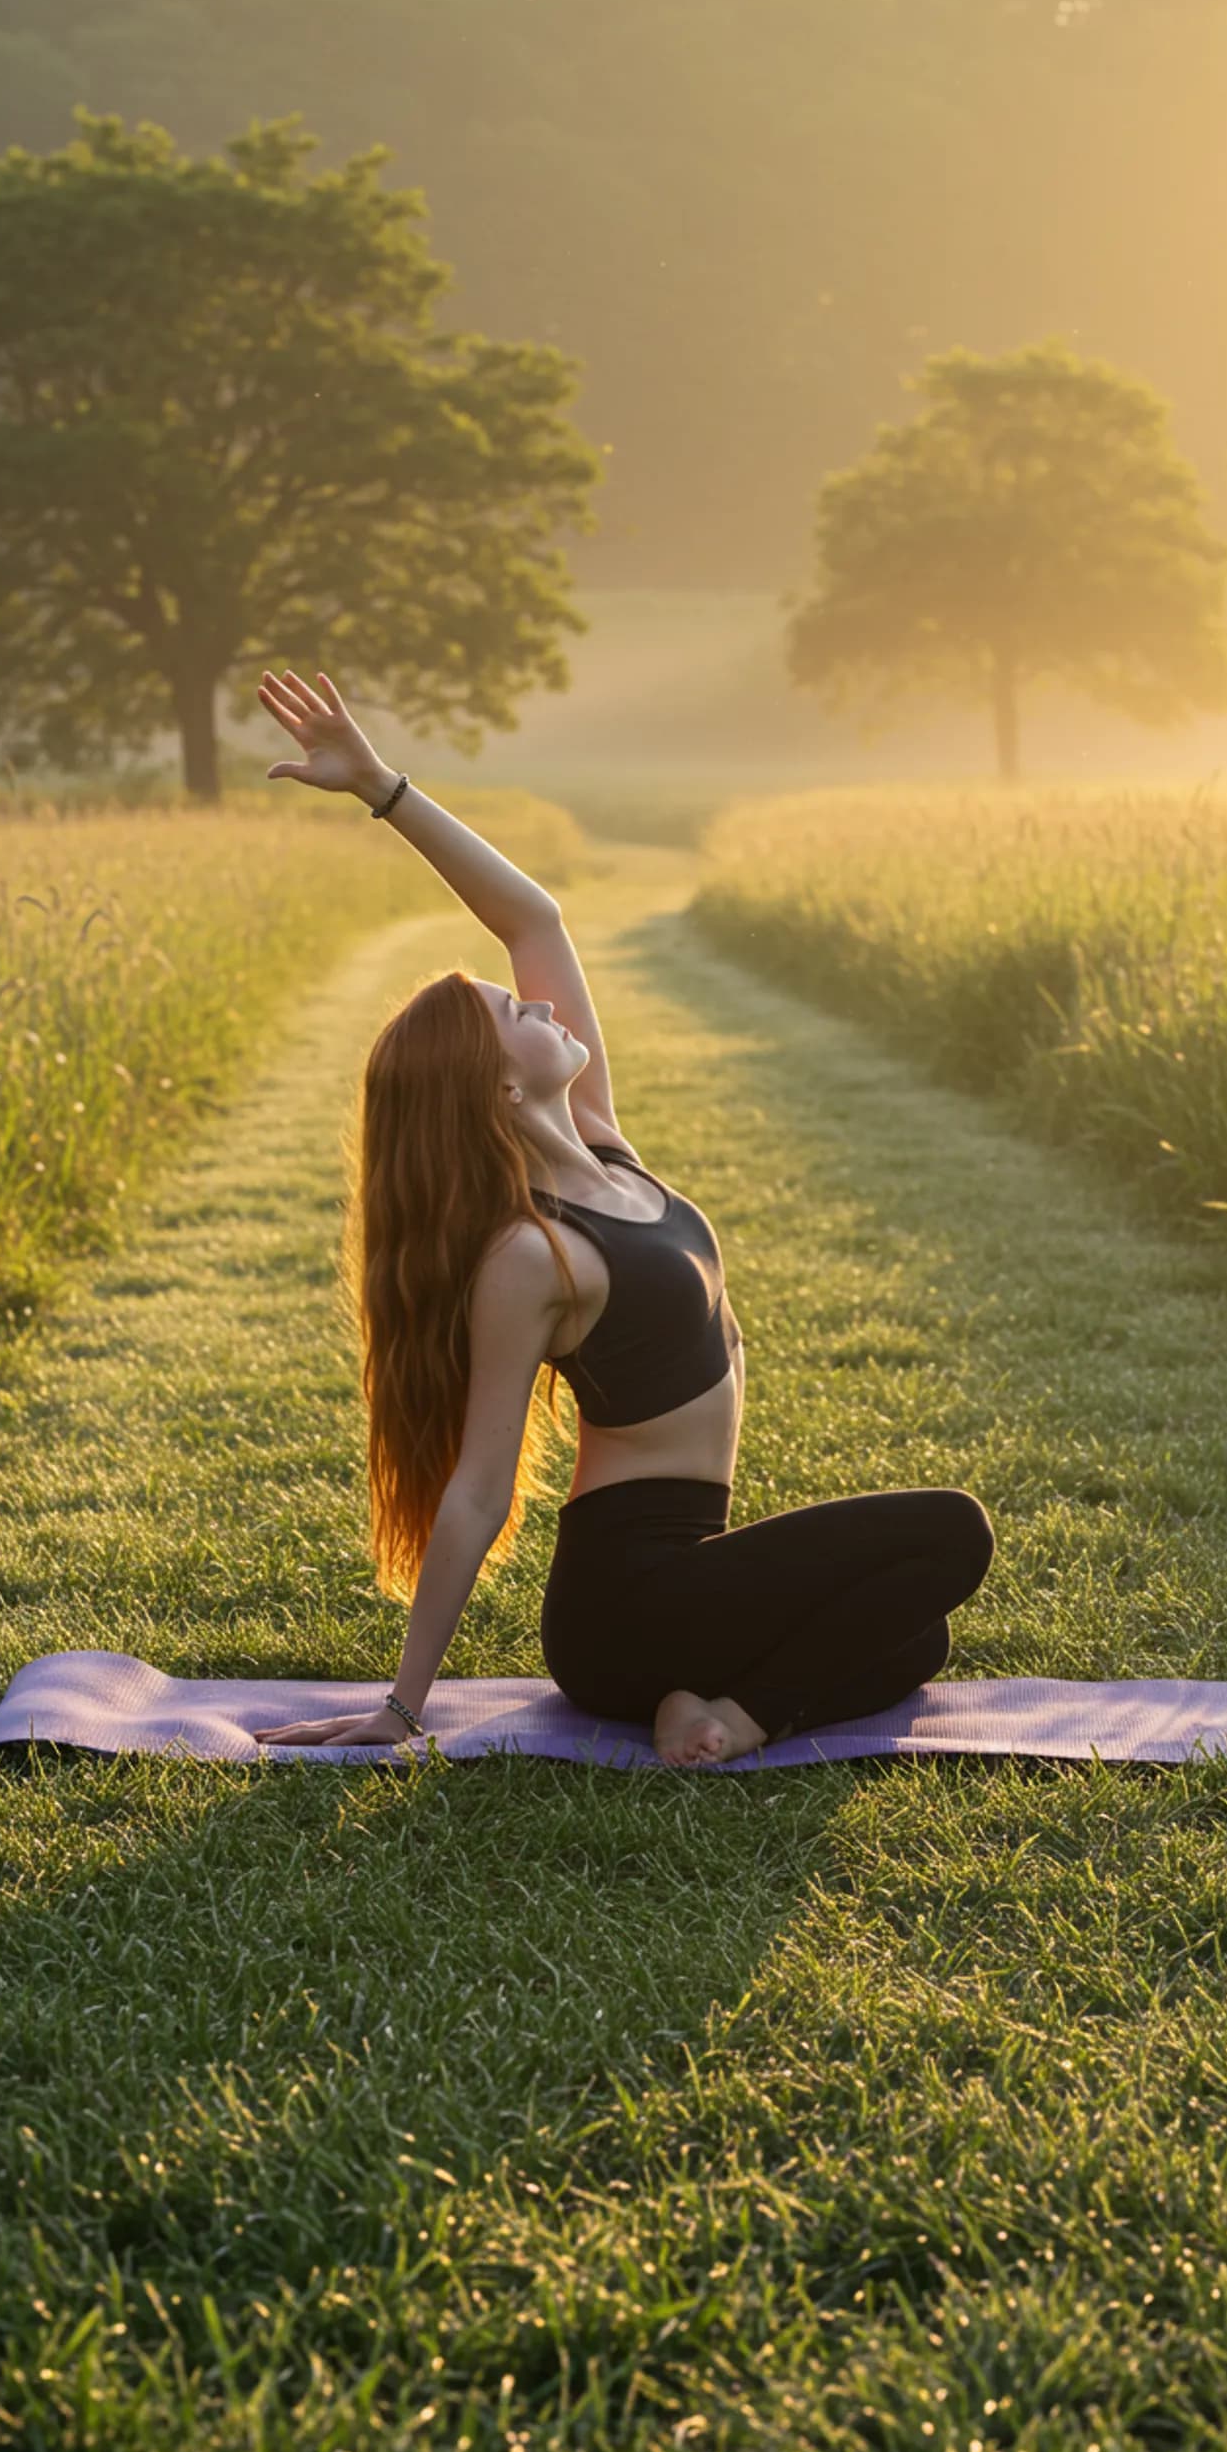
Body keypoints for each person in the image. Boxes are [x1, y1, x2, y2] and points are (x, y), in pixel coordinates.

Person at [252, 668, 995, 1767]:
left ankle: (704, 1712)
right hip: (625, 1604)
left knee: (914, 1624)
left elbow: (532, 913)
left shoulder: (601, 1139)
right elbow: (478, 1486)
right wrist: (405, 1706)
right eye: (516, 1010)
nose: (542, 998)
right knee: (953, 1530)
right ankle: (727, 1712)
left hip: (682, 1586)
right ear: (498, 1091)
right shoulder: (530, 1252)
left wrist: (384, 789)